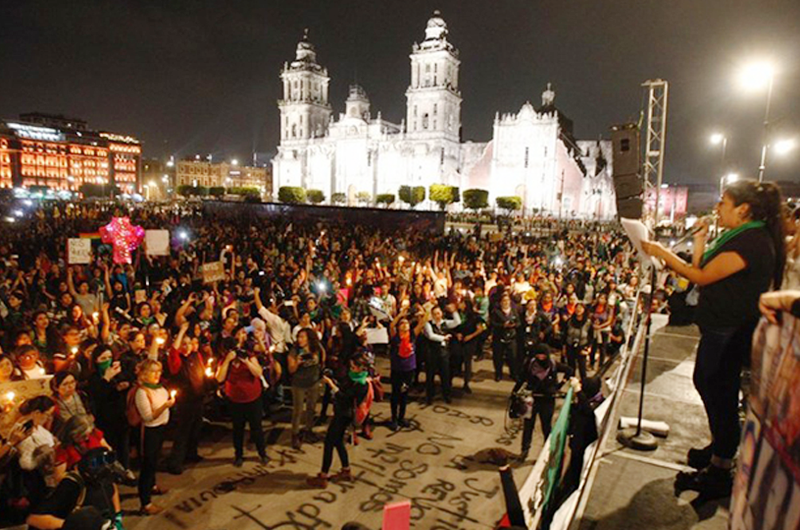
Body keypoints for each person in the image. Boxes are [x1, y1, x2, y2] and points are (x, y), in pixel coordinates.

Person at [642, 179, 785, 498]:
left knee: (717, 391)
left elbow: (700, 277)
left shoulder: (751, 241)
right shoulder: (741, 236)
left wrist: (661, 251)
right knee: (712, 386)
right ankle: (720, 447)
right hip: (720, 329)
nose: (717, 208)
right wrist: (702, 240)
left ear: (743, 209)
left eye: (723, 203)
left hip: (728, 331)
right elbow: (702, 270)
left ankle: (720, 467)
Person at [306, 352, 371, 488]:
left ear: (361, 368)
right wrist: (334, 379)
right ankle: (346, 470)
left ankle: (323, 476)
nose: (351, 369)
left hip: (344, 416)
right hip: (340, 413)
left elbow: (344, 397)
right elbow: (343, 386)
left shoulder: (362, 384)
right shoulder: (353, 377)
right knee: (338, 442)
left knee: (329, 443)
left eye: (353, 367)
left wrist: (331, 385)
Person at [513, 344, 573, 462]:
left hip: (547, 400)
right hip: (531, 399)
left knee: (546, 427)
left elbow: (569, 370)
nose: (540, 358)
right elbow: (521, 378)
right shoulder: (530, 364)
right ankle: (524, 451)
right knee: (528, 426)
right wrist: (514, 392)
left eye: (543, 355)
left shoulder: (553, 365)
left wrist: (559, 385)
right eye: (538, 355)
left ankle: (548, 452)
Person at [216, 334, 268, 467]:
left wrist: (247, 362)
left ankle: (262, 453)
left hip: (252, 398)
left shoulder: (249, 356)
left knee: (256, 427)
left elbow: (258, 373)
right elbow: (219, 378)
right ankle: (238, 455)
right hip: (235, 400)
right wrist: (227, 361)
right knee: (237, 429)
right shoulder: (224, 361)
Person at [134, 358, 175, 515]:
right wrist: (165, 406)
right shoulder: (142, 392)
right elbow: (148, 417)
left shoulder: (159, 388)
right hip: (150, 431)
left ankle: (152, 485)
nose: (157, 374)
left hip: (160, 429)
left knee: (154, 460)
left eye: (159, 371)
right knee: (148, 465)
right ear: (144, 374)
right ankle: (145, 503)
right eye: (153, 371)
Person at [388, 306, 427, 430]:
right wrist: (400, 315)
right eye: (402, 324)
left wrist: (421, 312)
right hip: (397, 368)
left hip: (409, 368)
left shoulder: (412, 335)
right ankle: (394, 418)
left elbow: (422, 323)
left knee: (404, 394)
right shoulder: (395, 337)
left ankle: (401, 417)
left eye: (406, 323)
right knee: (395, 394)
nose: (404, 325)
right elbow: (391, 326)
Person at [287, 327, 324, 448]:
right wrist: (297, 363)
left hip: (313, 382)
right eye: (298, 337)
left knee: (311, 408)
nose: (300, 339)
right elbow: (291, 370)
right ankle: (295, 435)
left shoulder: (315, 348)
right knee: (298, 410)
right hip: (299, 384)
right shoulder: (294, 351)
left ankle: (309, 430)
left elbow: (322, 358)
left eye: (302, 337)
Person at [423, 304, 461, 404]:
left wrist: (454, 311)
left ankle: (446, 395)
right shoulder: (428, 324)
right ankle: (429, 397)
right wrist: (443, 338)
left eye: (439, 313)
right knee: (430, 376)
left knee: (445, 375)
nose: (437, 316)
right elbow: (431, 336)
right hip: (432, 353)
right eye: (435, 314)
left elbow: (457, 322)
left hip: (444, 353)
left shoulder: (445, 323)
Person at [490, 293, 520, 382]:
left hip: (511, 337)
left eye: (507, 300)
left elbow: (519, 322)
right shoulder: (496, 311)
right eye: (504, 301)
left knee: (512, 357)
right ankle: (498, 374)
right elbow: (492, 323)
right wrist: (502, 325)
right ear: (500, 302)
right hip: (499, 337)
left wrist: (514, 325)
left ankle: (513, 373)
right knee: (498, 357)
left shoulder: (514, 311)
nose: (506, 302)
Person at [562, 302, 591, 381]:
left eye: (581, 308)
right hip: (570, 345)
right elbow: (565, 334)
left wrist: (588, 348)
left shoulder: (588, 322)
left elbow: (591, 336)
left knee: (582, 368)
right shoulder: (569, 321)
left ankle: (584, 384)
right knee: (571, 366)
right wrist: (564, 347)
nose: (578, 310)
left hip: (582, 346)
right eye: (577, 308)